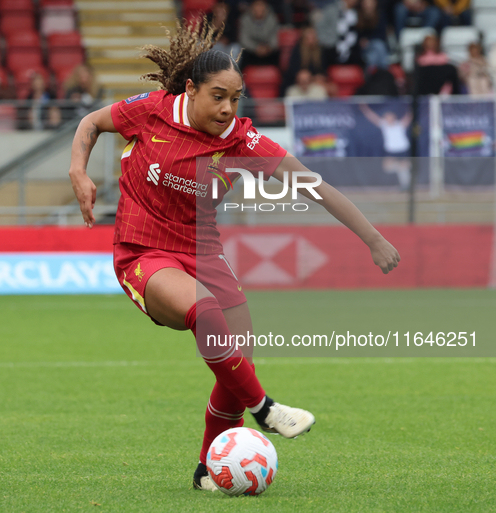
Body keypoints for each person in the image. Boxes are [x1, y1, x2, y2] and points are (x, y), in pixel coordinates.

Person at [68, 19, 400, 492]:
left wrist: (372, 238)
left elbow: (312, 184)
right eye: (218, 95)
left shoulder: (241, 141)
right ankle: (265, 410)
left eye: (235, 98)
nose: (227, 108)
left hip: (203, 253)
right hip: (143, 251)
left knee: (236, 357)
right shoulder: (151, 111)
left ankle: (208, 469)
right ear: (190, 89)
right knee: (204, 310)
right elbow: (90, 124)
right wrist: (78, 171)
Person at [360, 104, 413, 190]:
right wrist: (365, 109)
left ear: (393, 118)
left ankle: (406, 186)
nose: (387, 119)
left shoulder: (400, 125)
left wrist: (412, 109)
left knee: (403, 168)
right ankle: (404, 176)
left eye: (388, 117)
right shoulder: (384, 125)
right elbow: (373, 117)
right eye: (386, 117)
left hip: (402, 149)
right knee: (389, 167)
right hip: (391, 151)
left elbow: (408, 118)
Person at [238, 0, 280, 69]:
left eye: (261, 5)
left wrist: (268, 48)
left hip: (268, 51)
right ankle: (241, 78)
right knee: (242, 53)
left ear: (266, 8)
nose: (259, 8)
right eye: (257, 5)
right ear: (252, 7)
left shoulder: (272, 19)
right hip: (251, 51)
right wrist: (256, 48)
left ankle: (277, 78)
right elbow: (244, 40)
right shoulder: (245, 19)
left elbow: (275, 39)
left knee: (277, 53)